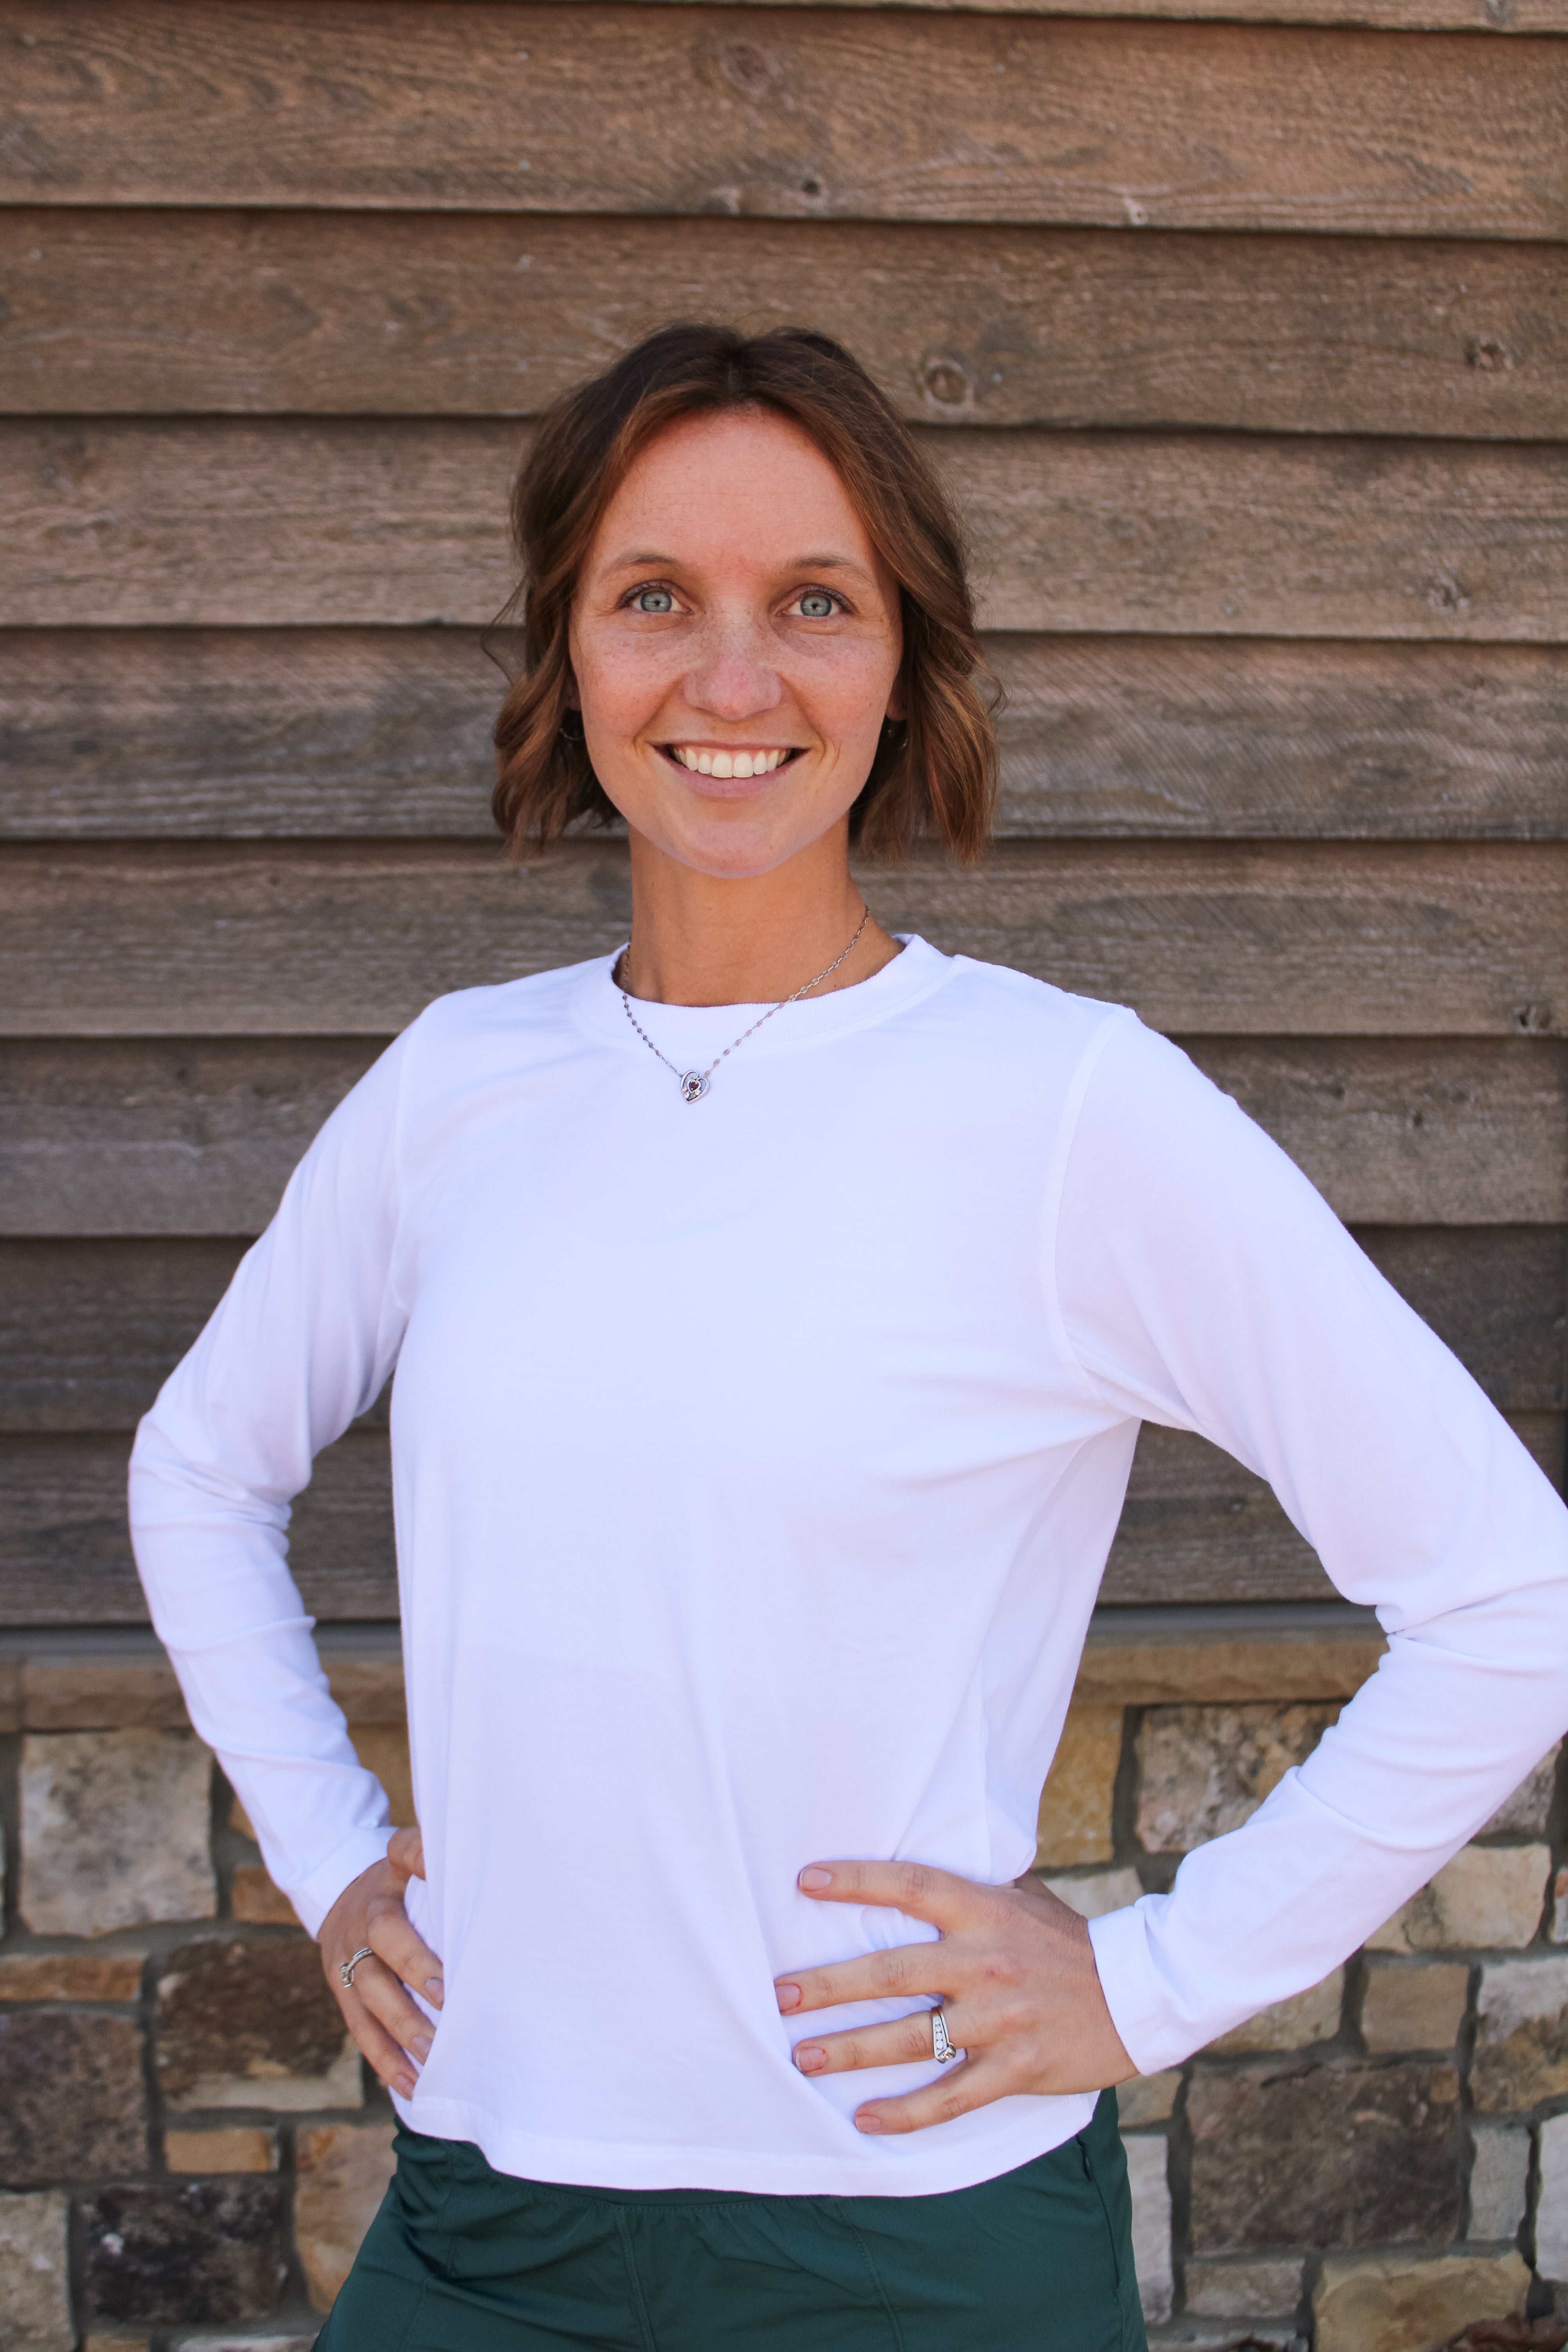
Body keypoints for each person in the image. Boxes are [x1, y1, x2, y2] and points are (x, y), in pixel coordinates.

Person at [129, 325, 1568, 2350]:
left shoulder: (1069, 1108)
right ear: (569, 652)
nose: (733, 683)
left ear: (904, 662)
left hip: (915, 2236)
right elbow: (200, 1470)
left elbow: (1512, 1597)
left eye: (814, 602)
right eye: (655, 599)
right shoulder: (458, 1084)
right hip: (488, 2208)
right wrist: (333, 1861)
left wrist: (1148, 1982)